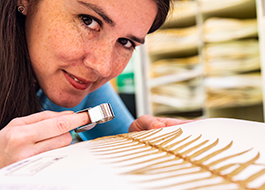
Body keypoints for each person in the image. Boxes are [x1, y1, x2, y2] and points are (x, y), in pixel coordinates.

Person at [0, 0, 192, 168]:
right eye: (88, 21)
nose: (103, 68)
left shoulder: (79, 81)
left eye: (125, 42)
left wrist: (136, 147)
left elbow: (123, 137)